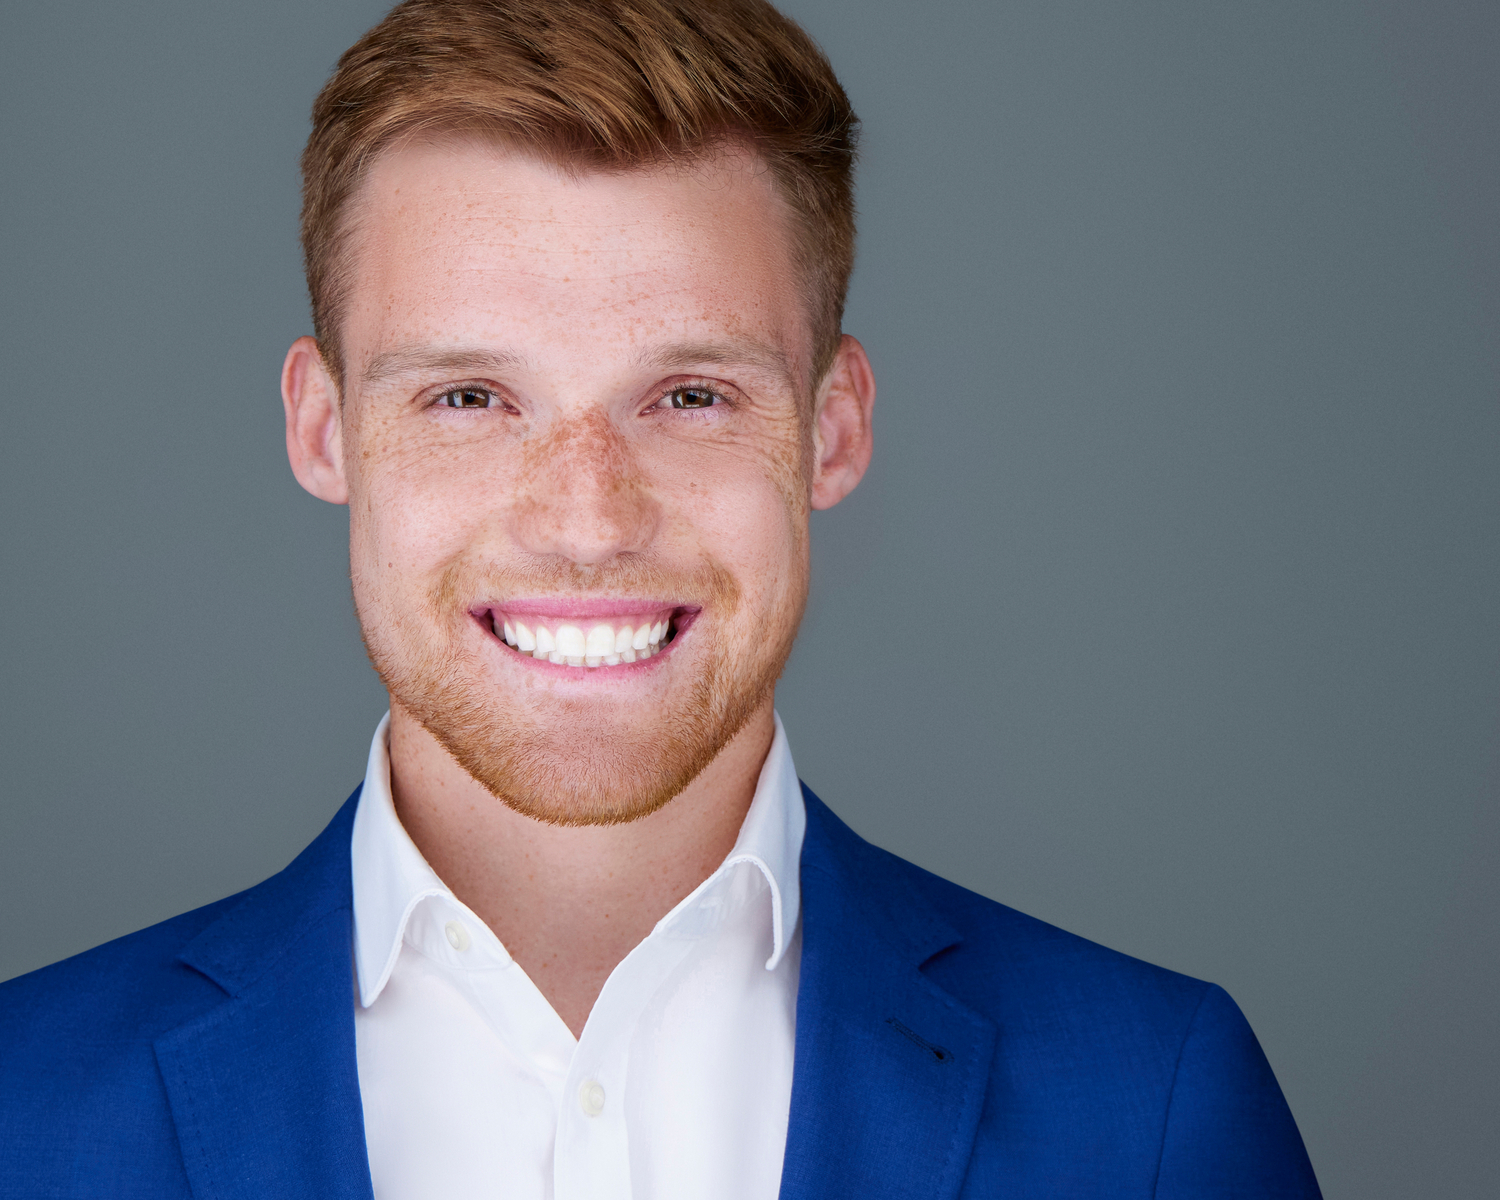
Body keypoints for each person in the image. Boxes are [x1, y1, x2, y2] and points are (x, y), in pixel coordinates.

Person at [0, 1, 1320, 1196]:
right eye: (469, 397)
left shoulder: (1156, 1109)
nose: (588, 524)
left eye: (690, 395)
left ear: (833, 429)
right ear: (322, 429)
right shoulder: (23, 1111)